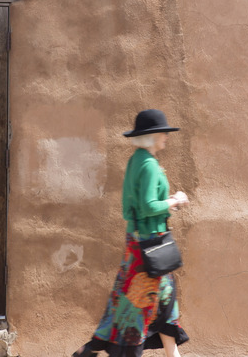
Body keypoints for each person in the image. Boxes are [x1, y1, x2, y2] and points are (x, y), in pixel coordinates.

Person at [72, 109, 190, 357]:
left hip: (141, 244)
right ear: (152, 136)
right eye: (163, 132)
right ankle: (96, 347)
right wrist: (175, 201)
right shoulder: (148, 165)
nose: (167, 136)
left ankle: (93, 348)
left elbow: (131, 207)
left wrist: (164, 204)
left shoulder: (136, 160)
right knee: (137, 308)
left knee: (158, 303)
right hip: (151, 246)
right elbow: (148, 206)